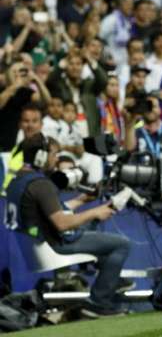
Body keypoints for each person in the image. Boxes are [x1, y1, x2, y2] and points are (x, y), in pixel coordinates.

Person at [4, 133, 129, 317]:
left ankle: (109, 277)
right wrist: (95, 211)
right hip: (53, 246)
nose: (56, 160)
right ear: (41, 156)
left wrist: (82, 200)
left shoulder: (17, 181)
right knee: (122, 244)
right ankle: (99, 301)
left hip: (37, 243)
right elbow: (61, 223)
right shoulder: (41, 184)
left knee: (94, 224)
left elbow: (46, 213)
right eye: (54, 155)